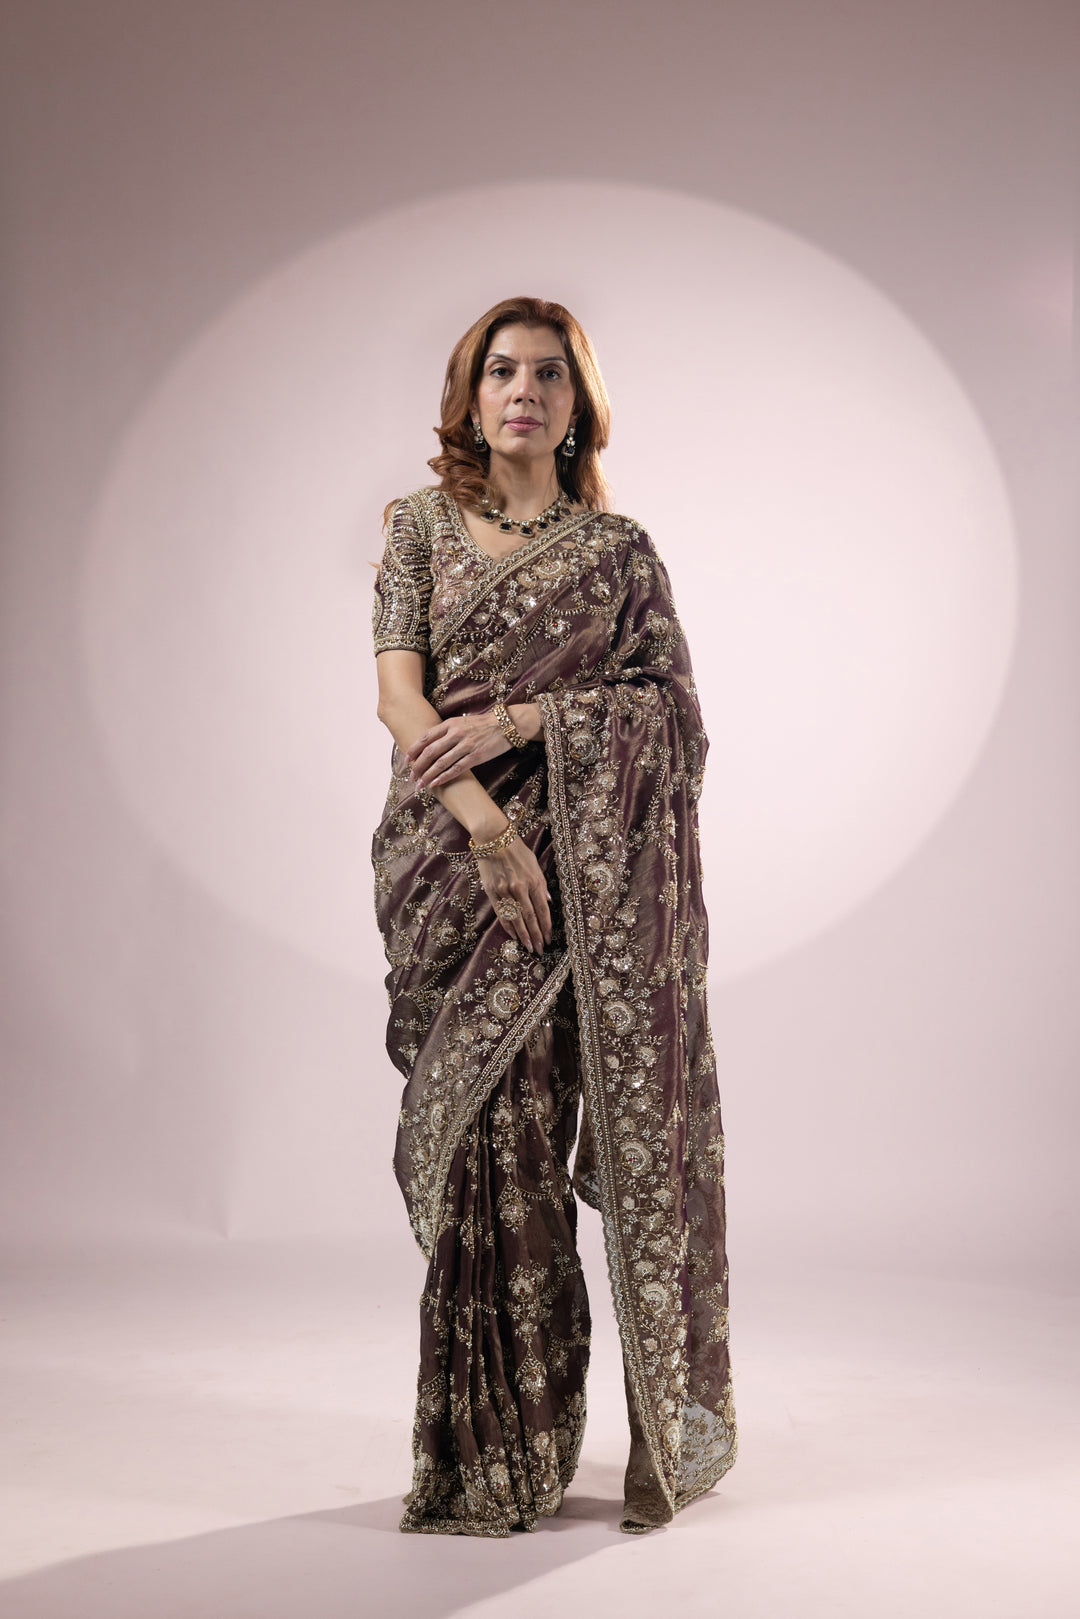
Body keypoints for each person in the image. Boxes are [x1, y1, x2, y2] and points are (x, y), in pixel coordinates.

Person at [370, 295, 737, 1536]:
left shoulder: (619, 555)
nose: (522, 391)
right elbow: (400, 700)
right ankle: (484, 1455)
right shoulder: (418, 526)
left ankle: (558, 1441)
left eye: (546, 374)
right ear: (469, 396)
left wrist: (533, 722)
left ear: (578, 403)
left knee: (541, 1127)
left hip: (584, 884)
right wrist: (489, 833)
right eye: (499, 372)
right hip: (452, 863)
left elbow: (673, 722)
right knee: (483, 1139)